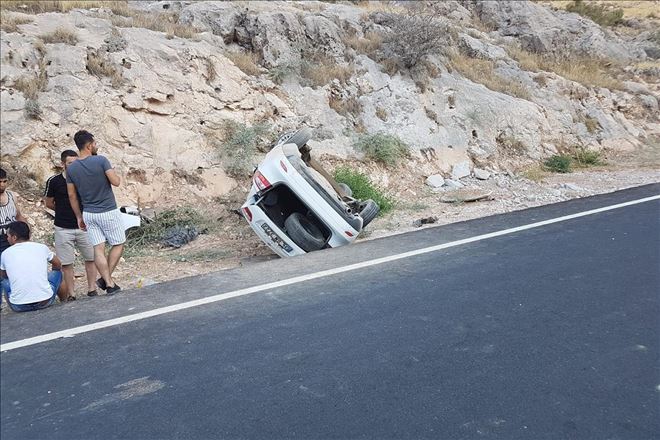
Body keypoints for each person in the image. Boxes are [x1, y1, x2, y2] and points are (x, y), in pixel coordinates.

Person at [66, 130, 123, 295]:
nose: (96, 146)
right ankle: (107, 281)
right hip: (108, 211)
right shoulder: (101, 160)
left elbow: (72, 195)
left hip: (89, 214)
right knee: (118, 244)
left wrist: (78, 216)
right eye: (95, 143)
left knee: (98, 249)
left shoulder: (72, 168)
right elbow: (116, 182)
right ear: (89, 145)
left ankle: (109, 282)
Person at [44, 150, 99, 298]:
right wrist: (62, 210)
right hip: (63, 228)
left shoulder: (84, 178)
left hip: (85, 226)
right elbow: (49, 203)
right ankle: (71, 293)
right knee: (66, 263)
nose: (74, 166)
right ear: (63, 164)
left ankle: (92, 289)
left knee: (91, 258)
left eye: (76, 163)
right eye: (70, 163)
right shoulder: (54, 181)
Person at [0, 221, 70, 312]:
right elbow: (57, 263)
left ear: (14, 237)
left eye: (8, 236)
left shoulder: (5, 254)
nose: (7, 238)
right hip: (45, 301)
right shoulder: (41, 247)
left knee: (4, 281)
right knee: (58, 273)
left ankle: (16, 301)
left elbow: (3, 275)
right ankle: (64, 301)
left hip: (19, 306)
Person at [0, 168, 27, 262]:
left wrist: (27, 233)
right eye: (0, 182)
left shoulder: (11, 196)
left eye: (4, 181)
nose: (2, 185)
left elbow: (18, 216)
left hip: (13, 239)